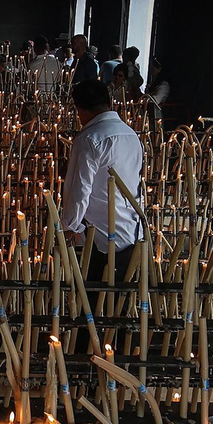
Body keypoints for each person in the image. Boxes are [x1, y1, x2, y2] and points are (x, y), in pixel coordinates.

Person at [61, 80, 144, 288]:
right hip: (131, 230)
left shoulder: (89, 138)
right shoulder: (131, 134)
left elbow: (80, 189)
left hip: (100, 237)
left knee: (93, 296)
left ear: (81, 110)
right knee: (119, 297)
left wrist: (69, 227)